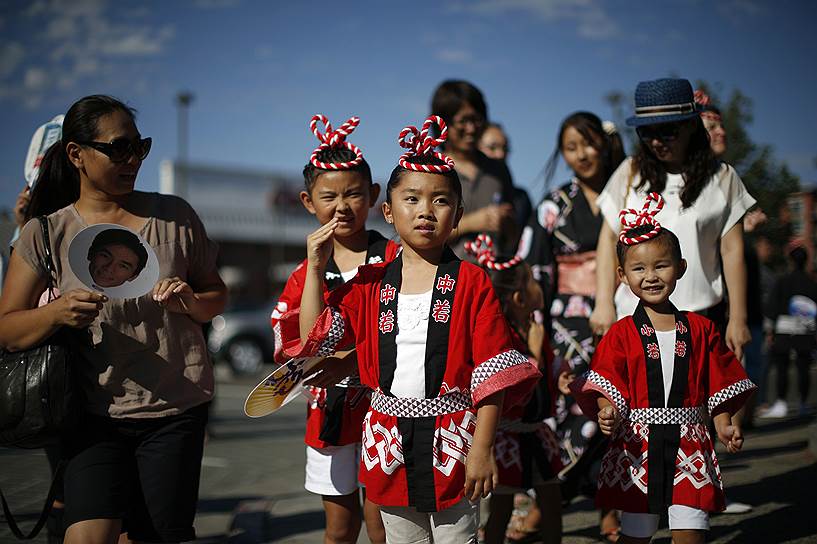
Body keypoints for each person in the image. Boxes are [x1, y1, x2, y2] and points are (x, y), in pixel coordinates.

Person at [281, 115, 541, 543]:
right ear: (388, 210)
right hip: (389, 444)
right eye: (412, 199)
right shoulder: (369, 282)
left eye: (440, 201)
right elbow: (316, 340)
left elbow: (493, 370)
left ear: (458, 214)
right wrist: (315, 268)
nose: (425, 211)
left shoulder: (472, 282)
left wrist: (482, 447)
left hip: (455, 443)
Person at [0, 94, 227, 544]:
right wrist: (55, 312)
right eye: (117, 148)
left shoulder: (176, 216)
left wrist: (190, 302)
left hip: (174, 411)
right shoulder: (45, 231)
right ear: (75, 154)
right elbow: (7, 328)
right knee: (85, 536)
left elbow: (216, 296)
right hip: (89, 413)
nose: (132, 159)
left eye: (138, 147)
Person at [571, 193, 756, 544]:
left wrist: (723, 422)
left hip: (690, 445)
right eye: (639, 268)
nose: (651, 276)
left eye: (661, 266)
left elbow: (718, 382)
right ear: (623, 276)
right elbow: (606, 379)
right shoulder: (621, 333)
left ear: (681, 268)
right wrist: (605, 409)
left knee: (692, 534)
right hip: (638, 449)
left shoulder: (701, 329)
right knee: (637, 535)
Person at [270, 114, 396, 544]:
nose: (341, 206)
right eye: (328, 196)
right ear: (308, 201)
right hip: (329, 410)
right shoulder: (305, 273)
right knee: (339, 528)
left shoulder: (397, 259)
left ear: (375, 196)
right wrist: (317, 270)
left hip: (389, 407)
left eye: (354, 194)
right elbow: (306, 347)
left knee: (384, 524)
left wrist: (354, 360)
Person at [590, 79, 756, 365]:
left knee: (699, 406)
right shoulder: (630, 172)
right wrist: (602, 302)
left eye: (667, 131)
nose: (656, 141)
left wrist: (738, 318)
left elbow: (732, 251)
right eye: (646, 132)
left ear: (691, 125)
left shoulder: (723, 178)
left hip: (700, 322)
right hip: (632, 322)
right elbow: (608, 239)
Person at [517, 111, 625, 541]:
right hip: (567, 326)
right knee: (570, 416)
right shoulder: (552, 206)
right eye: (570, 148)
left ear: (605, 143)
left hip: (621, 314)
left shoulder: (631, 196)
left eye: (588, 143)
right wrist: (536, 328)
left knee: (618, 412)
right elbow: (535, 271)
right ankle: (550, 505)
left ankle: (610, 509)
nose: (581, 155)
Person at [465, 236, 563, 544]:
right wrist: (534, 353)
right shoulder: (505, 336)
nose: (540, 285)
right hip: (505, 434)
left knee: (551, 501)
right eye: (533, 280)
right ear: (519, 298)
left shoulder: (534, 327)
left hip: (535, 431)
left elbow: (549, 371)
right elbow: (515, 381)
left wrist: (560, 376)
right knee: (502, 508)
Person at [430, 80, 518, 257]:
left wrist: (507, 224)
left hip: (492, 279)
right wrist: (471, 223)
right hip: (446, 280)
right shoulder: (431, 169)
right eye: (463, 121)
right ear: (443, 124)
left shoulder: (499, 171)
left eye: (476, 120)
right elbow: (420, 235)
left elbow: (513, 238)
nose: (471, 129)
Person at [760, 242, 817, 418]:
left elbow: (772, 307)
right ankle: (803, 403)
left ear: (791, 261)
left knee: (782, 367)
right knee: (803, 367)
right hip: (806, 330)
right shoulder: (811, 283)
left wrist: (770, 330)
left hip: (784, 329)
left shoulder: (783, 281)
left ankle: (781, 402)